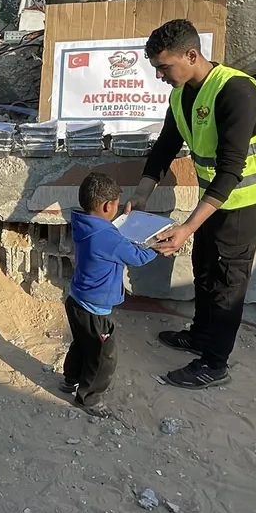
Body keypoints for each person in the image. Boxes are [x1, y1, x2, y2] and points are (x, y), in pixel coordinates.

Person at [125, 19, 256, 389]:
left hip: (246, 200)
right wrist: (141, 194)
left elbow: (230, 171)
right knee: (204, 266)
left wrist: (186, 227)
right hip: (213, 199)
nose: (160, 75)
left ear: (191, 55)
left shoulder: (237, 92)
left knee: (228, 280)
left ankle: (214, 363)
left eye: (164, 66)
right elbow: (164, 147)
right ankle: (200, 335)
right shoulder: (181, 94)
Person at [61, 172, 157, 418]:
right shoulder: (107, 237)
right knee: (104, 357)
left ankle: (69, 380)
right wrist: (158, 243)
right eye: (116, 203)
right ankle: (89, 398)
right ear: (107, 206)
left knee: (82, 345)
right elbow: (138, 257)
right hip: (96, 309)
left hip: (77, 301)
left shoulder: (84, 223)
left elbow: (109, 238)